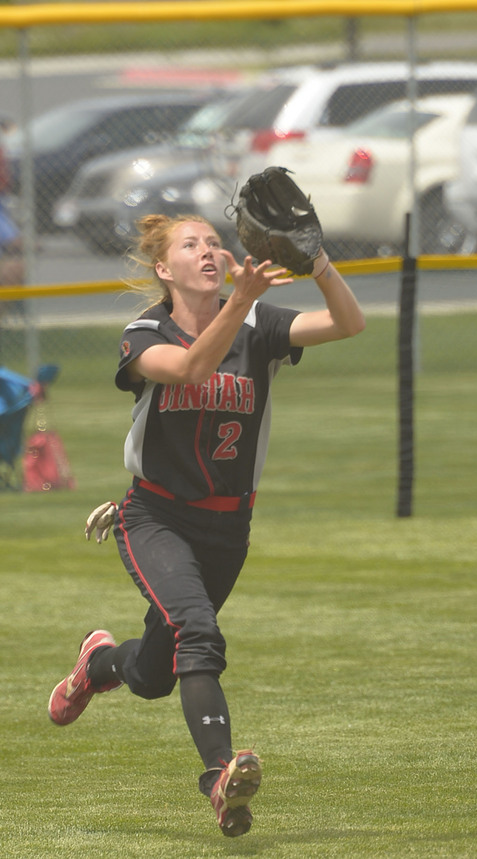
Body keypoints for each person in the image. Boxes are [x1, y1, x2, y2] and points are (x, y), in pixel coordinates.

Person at [47, 212, 365, 838]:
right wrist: (241, 301)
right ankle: (221, 776)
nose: (210, 251)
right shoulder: (144, 333)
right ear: (165, 270)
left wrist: (318, 261)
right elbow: (191, 369)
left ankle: (100, 664)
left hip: (227, 527)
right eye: (191, 245)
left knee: (154, 676)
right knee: (198, 631)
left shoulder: (262, 325)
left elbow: (350, 323)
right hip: (154, 516)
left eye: (215, 242)